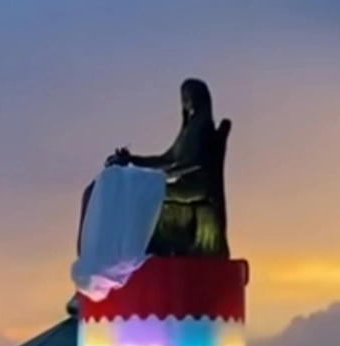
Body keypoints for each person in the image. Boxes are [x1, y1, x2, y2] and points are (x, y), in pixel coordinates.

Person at [77, 78, 231, 258]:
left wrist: (162, 175)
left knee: (146, 193)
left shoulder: (205, 130)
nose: (186, 103)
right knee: (139, 190)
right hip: (180, 183)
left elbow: (194, 165)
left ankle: (144, 245)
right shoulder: (187, 131)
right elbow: (166, 159)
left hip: (195, 189)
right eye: (184, 99)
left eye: (189, 98)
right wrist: (132, 160)